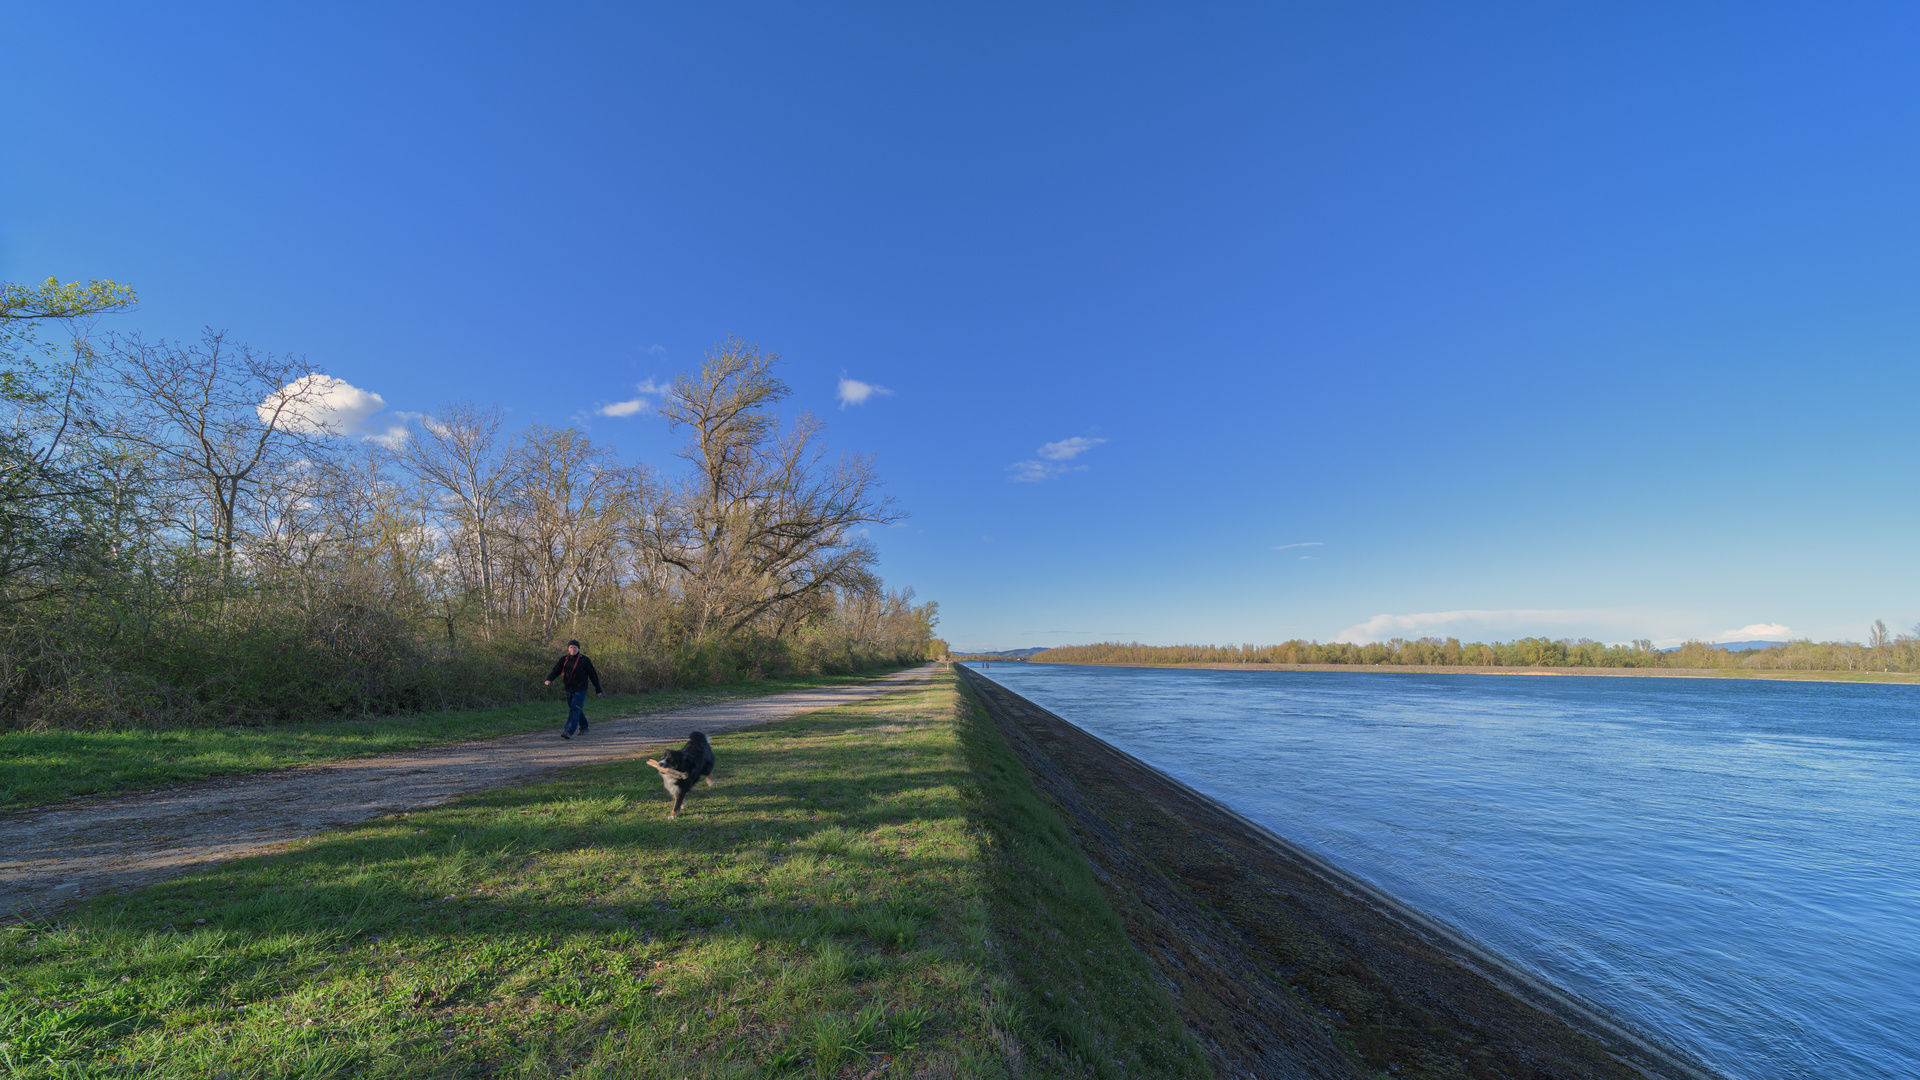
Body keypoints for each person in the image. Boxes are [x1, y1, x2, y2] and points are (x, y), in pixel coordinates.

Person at [544, 640, 602, 739]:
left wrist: (598, 689)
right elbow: (556, 670)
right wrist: (549, 679)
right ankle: (584, 727)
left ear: (578, 649)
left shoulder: (585, 660)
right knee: (575, 708)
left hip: (580, 689)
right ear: (568, 648)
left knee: (575, 709)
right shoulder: (564, 659)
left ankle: (568, 731)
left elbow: (593, 675)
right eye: (571, 647)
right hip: (569, 688)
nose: (572, 649)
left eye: (575, 647)